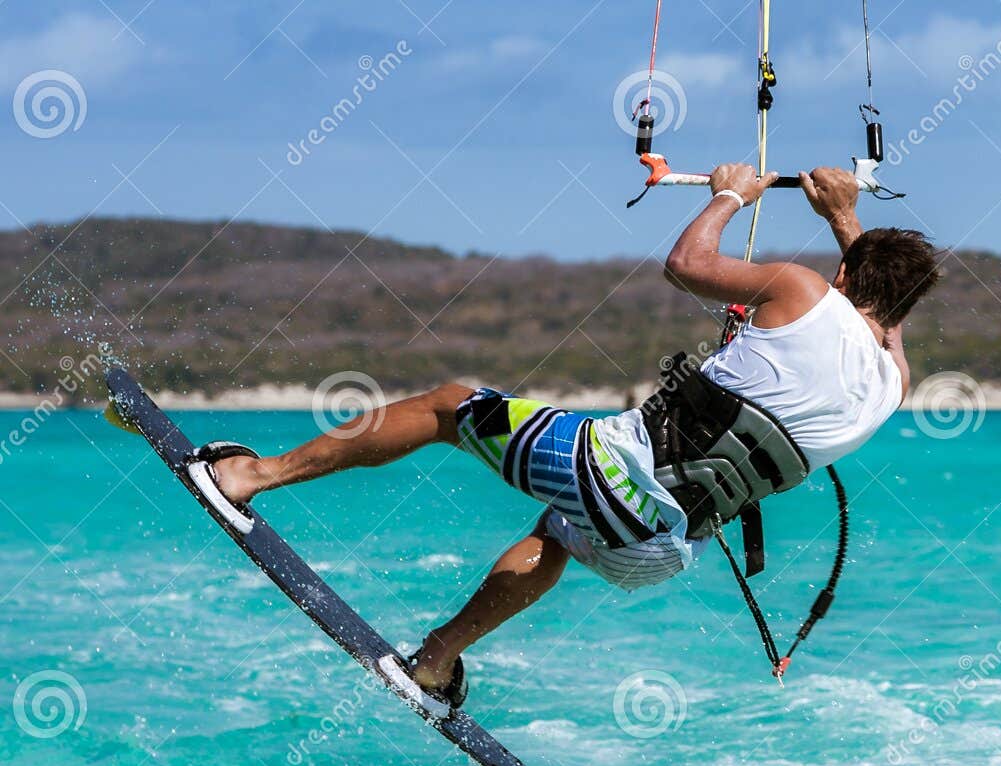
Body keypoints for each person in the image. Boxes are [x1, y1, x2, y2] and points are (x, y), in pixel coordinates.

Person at [203, 163, 941, 705]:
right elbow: (888, 323)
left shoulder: (805, 291)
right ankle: (435, 658)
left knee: (448, 406)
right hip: (658, 554)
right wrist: (847, 217)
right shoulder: (892, 385)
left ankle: (250, 476)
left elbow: (684, 266)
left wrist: (729, 195)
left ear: (841, 276)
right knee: (557, 534)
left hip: (606, 471)